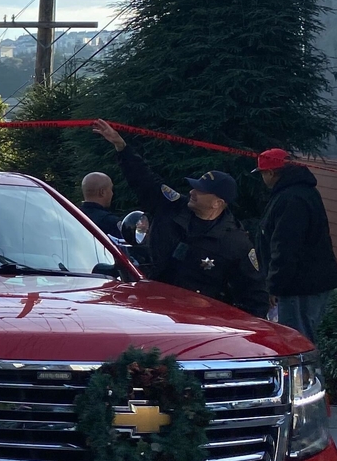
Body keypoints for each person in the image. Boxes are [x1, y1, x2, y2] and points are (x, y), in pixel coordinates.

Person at [91, 120, 269, 317]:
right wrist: (121, 146)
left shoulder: (235, 243)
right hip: (152, 307)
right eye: (194, 187)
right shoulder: (173, 207)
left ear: (217, 203)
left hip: (198, 321)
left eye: (201, 191)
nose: (192, 192)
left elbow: (254, 295)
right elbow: (145, 181)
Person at [254, 148, 337, 342]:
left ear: (270, 173)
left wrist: (274, 286)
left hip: (299, 287)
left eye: (262, 173)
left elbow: (285, 247)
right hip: (306, 283)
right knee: (302, 338)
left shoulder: (291, 198)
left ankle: (305, 373)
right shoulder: (300, 192)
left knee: (296, 341)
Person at [79, 171, 121, 238]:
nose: (112, 193)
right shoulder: (110, 222)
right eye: (111, 189)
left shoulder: (73, 217)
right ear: (102, 192)